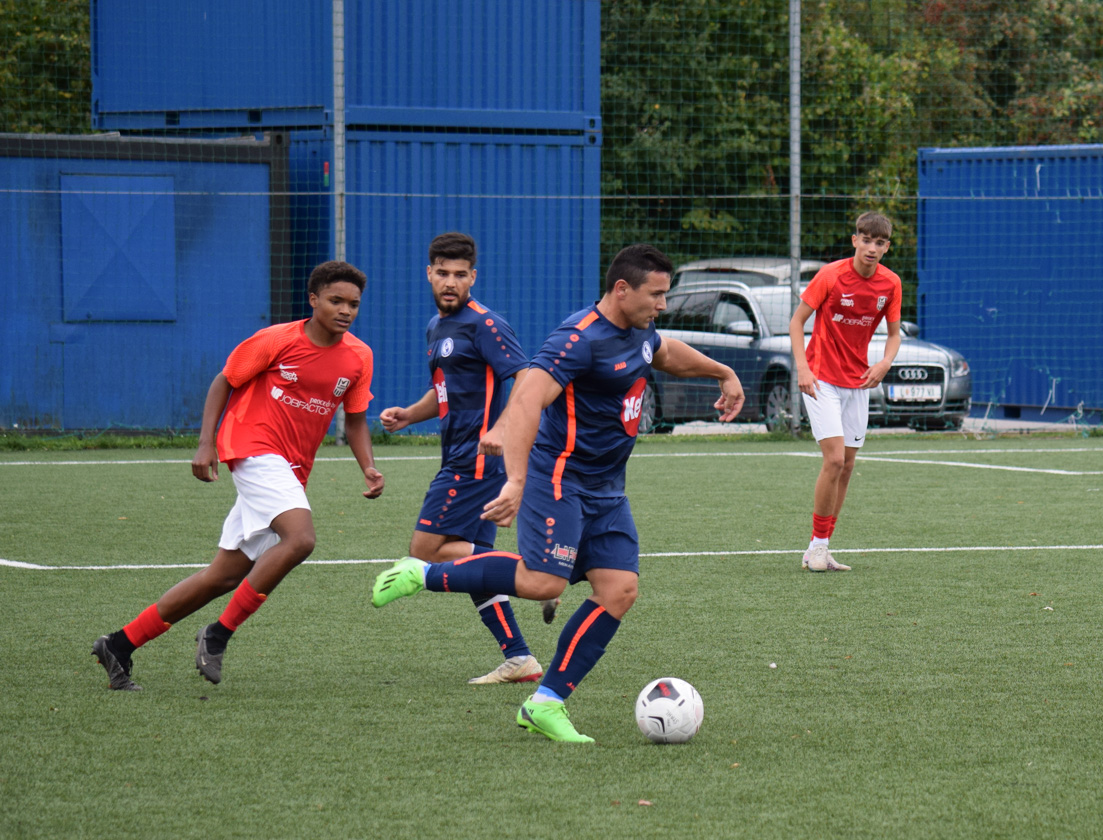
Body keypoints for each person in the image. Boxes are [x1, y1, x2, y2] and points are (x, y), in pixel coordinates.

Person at [371, 244, 745, 742]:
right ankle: (423, 572)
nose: (662, 304)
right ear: (622, 289)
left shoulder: (640, 330)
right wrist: (516, 480)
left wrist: (723, 372)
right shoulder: (578, 339)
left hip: (607, 488)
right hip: (559, 480)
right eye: (656, 295)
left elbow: (664, 352)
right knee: (544, 582)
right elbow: (527, 399)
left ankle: (545, 703)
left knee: (619, 591)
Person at [91, 261, 385, 690]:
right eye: (335, 300)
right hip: (252, 448)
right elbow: (224, 381)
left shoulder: (359, 356)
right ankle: (217, 634)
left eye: (353, 304)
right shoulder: (276, 340)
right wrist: (205, 443)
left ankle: (119, 644)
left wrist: (368, 466)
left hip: (291, 469)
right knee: (301, 539)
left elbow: (355, 419)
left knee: (224, 576)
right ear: (313, 300)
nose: (345, 310)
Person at [378, 232, 549, 684]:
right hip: (458, 454)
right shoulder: (436, 328)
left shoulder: (485, 324)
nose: (450, 282)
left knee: (424, 551)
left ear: (473, 277)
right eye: (442, 273)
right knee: (473, 564)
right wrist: (408, 415)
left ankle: (537, 572)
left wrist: (502, 428)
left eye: (459, 274)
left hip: (476, 461)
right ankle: (520, 658)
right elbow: (443, 394)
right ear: (428, 274)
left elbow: (527, 379)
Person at [789, 211, 903, 572]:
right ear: (855, 240)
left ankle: (818, 547)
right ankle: (819, 547)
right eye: (866, 240)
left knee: (848, 465)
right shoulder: (830, 275)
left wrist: (884, 363)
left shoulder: (891, 284)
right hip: (821, 378)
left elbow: (895, 334)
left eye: (879, 243)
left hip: (858, 382)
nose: (872, 248)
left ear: (886, 247)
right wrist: (803, 367)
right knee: (835, 460)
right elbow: (796, 322)